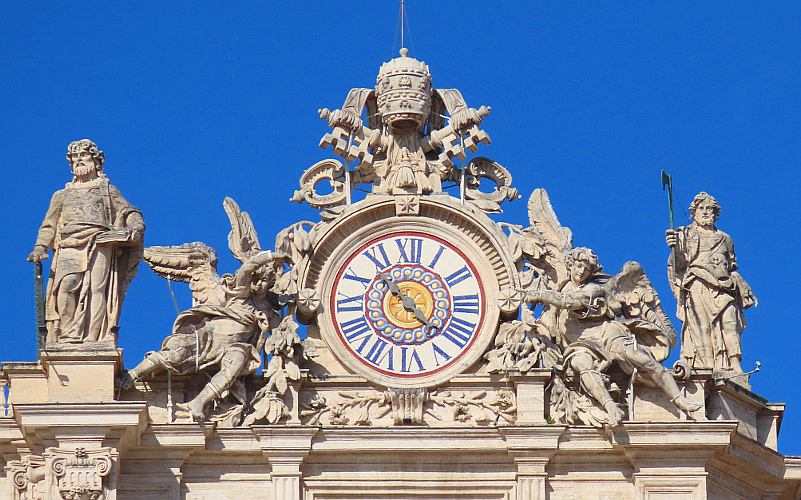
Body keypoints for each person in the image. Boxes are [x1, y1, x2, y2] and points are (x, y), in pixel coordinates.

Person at [526, 247, 701, 426]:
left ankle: (678, 398)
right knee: (581, 364)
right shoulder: (561, 288)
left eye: (586, 269)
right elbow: (547, 324)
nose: (581, 272)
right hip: (579, 343)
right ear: (570, 265)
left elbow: (568, 301)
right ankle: (610, 407)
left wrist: (539, 294)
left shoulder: (593, 289)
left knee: (641, 358)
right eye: (579, 266)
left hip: (606, 334)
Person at [27, 139, 144, 343]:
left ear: (95, 160)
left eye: (84, 156)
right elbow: (49, 223)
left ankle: (92, 338)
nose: (79, 160)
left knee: (97, 289)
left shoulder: (107, 189)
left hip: (101, 241)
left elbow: (127, 210)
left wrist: (136, 224)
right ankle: (68, 333)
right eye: (75, 157)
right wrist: (40, 246)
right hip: (69, 243)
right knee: (66, 286)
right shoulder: (61, 195)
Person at [665, 192, 756, 373]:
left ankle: (734, 364)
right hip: (698, 283)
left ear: (715, 213)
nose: (705, 212)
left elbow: (731, 267)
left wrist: (741, 284)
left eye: (709, 209)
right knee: (701, 326)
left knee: (730, 322)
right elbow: (678, 265)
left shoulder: (726, 238)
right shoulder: (686, 234)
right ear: (694, 212)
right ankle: (706, 366)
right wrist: (674, 247)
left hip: (724, 286)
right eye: (701, 208)